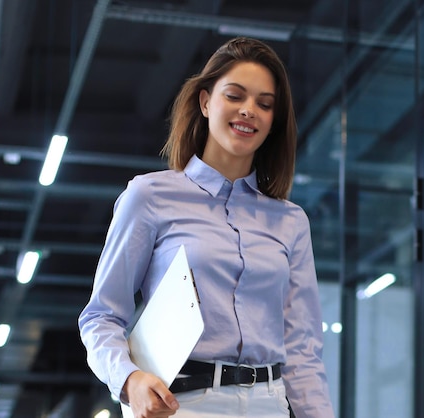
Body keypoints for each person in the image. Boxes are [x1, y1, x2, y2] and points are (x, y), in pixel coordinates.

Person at [78, 37, 335, 418]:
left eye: (264, 104)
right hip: (183, 405)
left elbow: (302, 348)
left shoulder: (291, 221)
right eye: (235, 96)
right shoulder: (150, 196)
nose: (249, 111)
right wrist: (129, 379)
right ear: (204, 102)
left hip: (270, 405)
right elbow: (101, 317)